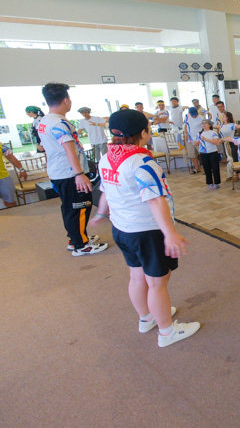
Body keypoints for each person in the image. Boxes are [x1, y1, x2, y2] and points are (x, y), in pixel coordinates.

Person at [87, 109, 199, 348]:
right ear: (143, 133)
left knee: (137, 277)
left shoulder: (106, 157)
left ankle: (146, 318)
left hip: (122, 229)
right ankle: (167, 332)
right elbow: (155, 199)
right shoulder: (143, 162)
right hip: (147, 231)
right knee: (158, 282)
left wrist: (100, 214)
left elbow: (105, 190)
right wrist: (170, 233)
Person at [38, 83, 108, 256]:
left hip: (59, 172)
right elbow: (69, 149)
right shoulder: (59, 123)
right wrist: (79, 174)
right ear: (65, 100)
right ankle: (81, 245)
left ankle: (76, 238)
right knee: (80, 206)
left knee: (70, 207)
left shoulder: (45, 121)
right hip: (69, 173)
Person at [196, 119, 221, 190]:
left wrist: (206, 139)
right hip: (203, 153)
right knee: (206, 168)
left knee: (215, 168)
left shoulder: (213, 133)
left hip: (212, 152)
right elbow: (196, 143)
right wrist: (196, 143)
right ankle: (209, 183)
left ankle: (216, 183)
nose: (203, 124)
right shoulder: (199, 133)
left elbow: (216, 142)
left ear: (209, 125)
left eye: (205, 123)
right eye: (202, 123)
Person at [183, 106, 204, 174]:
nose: (194, 116)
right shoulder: (187, 116)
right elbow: (186, 125)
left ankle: (207, 168)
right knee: (192, 154)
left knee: (202, 154)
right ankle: (197, 168)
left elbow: (204, 128)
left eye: (195, 114)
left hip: (199, 138)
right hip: (190, 138)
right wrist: (186, 134)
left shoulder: (201, 118)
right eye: (193, 114)